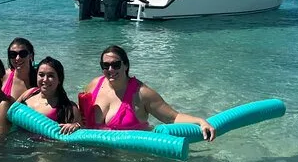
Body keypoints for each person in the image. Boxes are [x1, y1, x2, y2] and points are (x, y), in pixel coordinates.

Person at [80, 45, 216, 140]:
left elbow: (172, 118)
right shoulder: (94, 85)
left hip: (128, 159)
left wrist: (200, 121)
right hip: (95, 157)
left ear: (125, 65)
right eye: (105, 65)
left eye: (116, 65)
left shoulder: (142, 94)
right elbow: (80, 116)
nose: (110, 69)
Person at [17, 56, 82, 134]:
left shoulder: (68, 108)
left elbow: (82, 131)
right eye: (41, 75)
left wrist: (76, 126)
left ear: (59, 79)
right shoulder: (29, 93)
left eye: (51, 76)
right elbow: (11, 112)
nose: (45, 79)